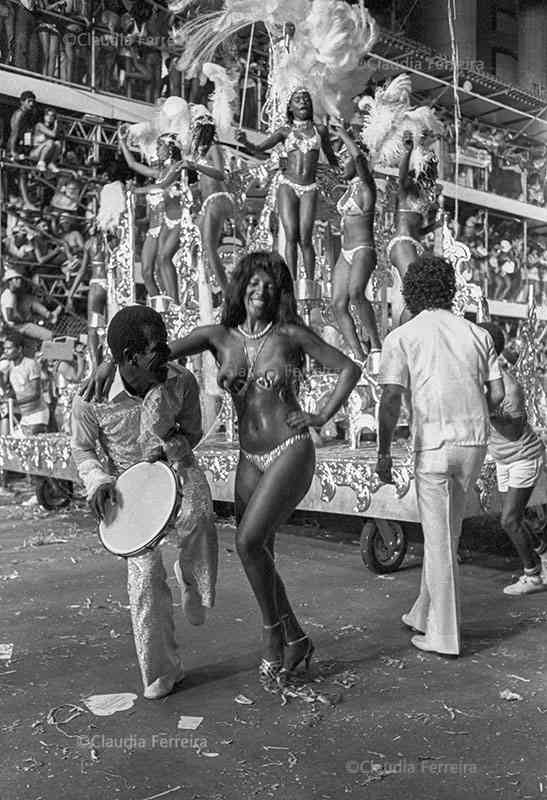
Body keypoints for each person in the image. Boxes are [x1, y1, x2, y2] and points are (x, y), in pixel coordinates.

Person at [85, 252, 360, 690]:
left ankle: (272, 639)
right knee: (256, 550)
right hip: (248, 457)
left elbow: (350, 367)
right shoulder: (218, 337)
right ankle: (298, 639)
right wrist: (107, 362)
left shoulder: (290, 335)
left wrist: (320, 415)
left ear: (280, 292)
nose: (261, 290)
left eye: (270, 284)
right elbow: (152, 355)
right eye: (253, 282)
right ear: (240, 287)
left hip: (290, 448)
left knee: (250, 542)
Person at [72, 305, 218, 700]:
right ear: (129, 359)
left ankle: (193, 580)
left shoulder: (180, 380)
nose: (167, 351)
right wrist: (98, 481)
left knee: (200, 511)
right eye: (156, 347)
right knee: (145, 575)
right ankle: (160, 671)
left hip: (174, 466)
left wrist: (173, 440)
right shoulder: (91, 398)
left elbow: (194, 429)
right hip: (127, 490)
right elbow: (82, 450)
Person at [376, 256, 504, 656]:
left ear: (410, 291)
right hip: (473, 443)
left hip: (433, 444)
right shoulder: (476, 333)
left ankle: (443, 635)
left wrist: (382, 450)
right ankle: (422, 612)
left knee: (438, 540)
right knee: (448, 533)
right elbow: (497, 395)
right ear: (450, 290)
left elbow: (391, 399)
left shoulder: (403, 336)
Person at [235, 88, 338, 282]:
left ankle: (309, 283)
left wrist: (342, 172)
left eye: (306, 98)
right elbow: (259, 150)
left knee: (305, 237)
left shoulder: (320, 130)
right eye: (298, 99)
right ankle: (291, 282)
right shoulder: (284, 131)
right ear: (290, 107)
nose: (303, 102)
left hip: (309, 187)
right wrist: (245, 141)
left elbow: (331, 158)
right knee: (291, 234)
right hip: (287, 185)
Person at [479, 323, 547, 595]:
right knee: (516, 518)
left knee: (509, 520)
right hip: (503, 458)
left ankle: (533, 576)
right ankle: (541, 553)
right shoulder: (481, 378)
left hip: (523, 456)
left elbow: (514, 431)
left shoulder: (508, 388)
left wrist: (486, 410)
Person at [330, 123, 381, 372]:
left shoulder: (368, 187)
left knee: (356, 293)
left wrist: (344, 136)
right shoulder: (348, 188)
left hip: (363, 249)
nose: (341, 164)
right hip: (345, 253)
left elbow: (359, 158)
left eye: (344, 158)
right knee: (337, 304)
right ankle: (358, 354)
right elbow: (338, 162)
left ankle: (376, 345)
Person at [119, 130, 183, 303]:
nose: (157, 151)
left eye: (160, 146)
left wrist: (136, 190)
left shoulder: (177, 168)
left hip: (168, 225)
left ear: (170, 148)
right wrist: (122, 142)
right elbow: (132, 164)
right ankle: (159, 306)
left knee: (161, 265)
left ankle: (173, 304)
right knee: (146, 272)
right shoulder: (158, 172)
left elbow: (163, 186)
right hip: (152, 229)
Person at [387, 131, 439, 326]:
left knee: (416, 297)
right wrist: (407, 152)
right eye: (430, 165)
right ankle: (403, 339)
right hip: (402, 243)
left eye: (434, 166)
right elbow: (400, 178)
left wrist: (434, 226)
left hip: (413, 243)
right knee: (417, 293)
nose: (432, 169)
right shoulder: (407, 185)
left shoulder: (424, 194)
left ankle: (406, 337)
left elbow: (418, 230)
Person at [182, 112, 234, 294]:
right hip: (207, 204)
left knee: (209, 247)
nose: (193, 135)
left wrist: (195, 167)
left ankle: (228, 293)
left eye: (195, 130)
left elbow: (221, 174)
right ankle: (203, 292)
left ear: (203, 130)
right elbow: (203, 183)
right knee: (193, 245)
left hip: (217, 199)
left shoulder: (215, 149)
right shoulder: (201, 154)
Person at [66, 224, 107, 368]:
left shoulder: (90, 244)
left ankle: (95, 367)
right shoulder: (112, 241)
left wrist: (71, 293)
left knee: (92, 328)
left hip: (96, 286)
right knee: (107, 324)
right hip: (111, 285)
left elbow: (82, 271)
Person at [3, 331, 49, 435]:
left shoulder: (30, 364)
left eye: (9, 348)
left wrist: (14, 402)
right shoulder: (9, 367)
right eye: (4, 348)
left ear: (19, 349)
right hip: (24, 416)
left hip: (37, 415)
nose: (6, 351)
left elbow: (35, 394)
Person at [1, 268, 61, 342]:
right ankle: (51, 317)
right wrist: (27, 320)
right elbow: (10, 317)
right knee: (49, 336)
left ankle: (50, 316)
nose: (19, 281)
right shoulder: (9, 295)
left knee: (29, 299)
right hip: (18, 326)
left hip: (20, 323)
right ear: (10, 281)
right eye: (16, 279)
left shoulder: (14, 294)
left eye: (19, 278)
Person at [30, 107, 61, 172]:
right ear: (44, 116)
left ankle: (51, 163)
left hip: (45, 153)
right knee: (50, 142)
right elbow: (53, 135)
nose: (49, 117)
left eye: (52, 116)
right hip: (35, 152)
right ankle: (40, 163)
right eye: (47, 115)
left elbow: (57, 136)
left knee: (58, 143)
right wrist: (56, 125)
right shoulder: (39, 125)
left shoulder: (52, 129)